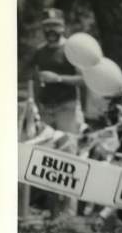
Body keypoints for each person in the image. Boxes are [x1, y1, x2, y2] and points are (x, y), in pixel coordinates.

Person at [29, 9, 84, 137]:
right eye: (47, 26)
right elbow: (35, 80)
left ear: (63, 27)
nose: (51, 30)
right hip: (45, 109)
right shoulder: (40, 51)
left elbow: (83, 79)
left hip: (67, 108)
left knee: (67, 148)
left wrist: (58, 78)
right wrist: (35, 103)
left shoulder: (72, 49)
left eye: (55, 25)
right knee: (45, 148)